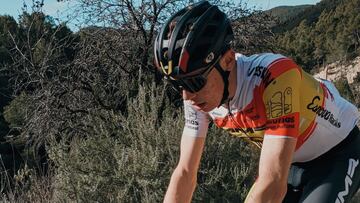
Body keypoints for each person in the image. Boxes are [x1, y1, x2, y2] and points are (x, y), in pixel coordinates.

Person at [153, 1, 360, 202]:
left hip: (338, 153)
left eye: (195, 82)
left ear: (227, 60)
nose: (186, 96)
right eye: (178, 85)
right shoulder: (198, 96)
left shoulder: (274, 77)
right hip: (289, 162)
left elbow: (273, 183)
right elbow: (185, 172)